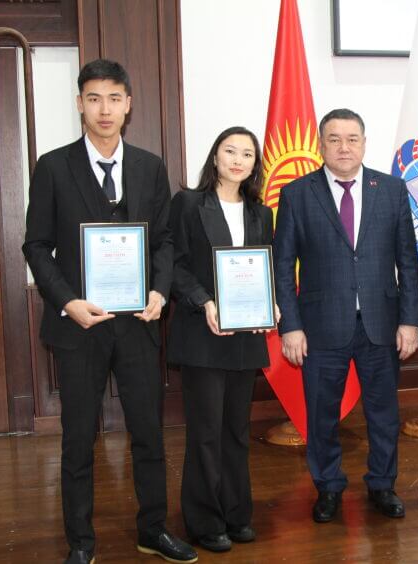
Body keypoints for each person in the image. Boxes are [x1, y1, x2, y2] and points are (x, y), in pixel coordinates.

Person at [23, 59, 197, 564]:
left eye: (114, 99)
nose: (105, 109)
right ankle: (81, 542)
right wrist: (67, 302)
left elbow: (164, 240)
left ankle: (153, 530)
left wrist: (159, 291)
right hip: (79, 326)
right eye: (94, 98)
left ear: (128, 105)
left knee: (148, 434)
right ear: (80, 103)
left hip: (139, 325)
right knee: (79, 439)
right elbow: (36, 245)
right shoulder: (53, 167)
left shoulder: (150, 166)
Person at [273, 108, 418, 523]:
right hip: (319, 326)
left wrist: (410, 320)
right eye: (334, 139)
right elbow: (282, 266)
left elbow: (407, 262)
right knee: (321, 414)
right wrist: (291, 326)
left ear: (364, 144)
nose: (344, 147)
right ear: (321, 145)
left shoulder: (391, 190)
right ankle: (328, 486)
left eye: (352, 139)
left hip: (382, 324)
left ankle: (382, 484)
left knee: (383, 414)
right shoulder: (297, 193)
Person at [167, 126, 274, 553]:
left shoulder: (261, 213)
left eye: (247, 154)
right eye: (230, 151)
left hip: (245, 336)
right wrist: (204, 301)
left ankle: (236, 513)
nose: (238, 160)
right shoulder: (189, 204)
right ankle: (205, 520)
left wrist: (270, 302)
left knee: (237, 431)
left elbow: (263, 267)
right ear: (215, 157)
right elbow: (174, 264)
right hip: (203, 333)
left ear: (254, 164)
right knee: (206, 432)